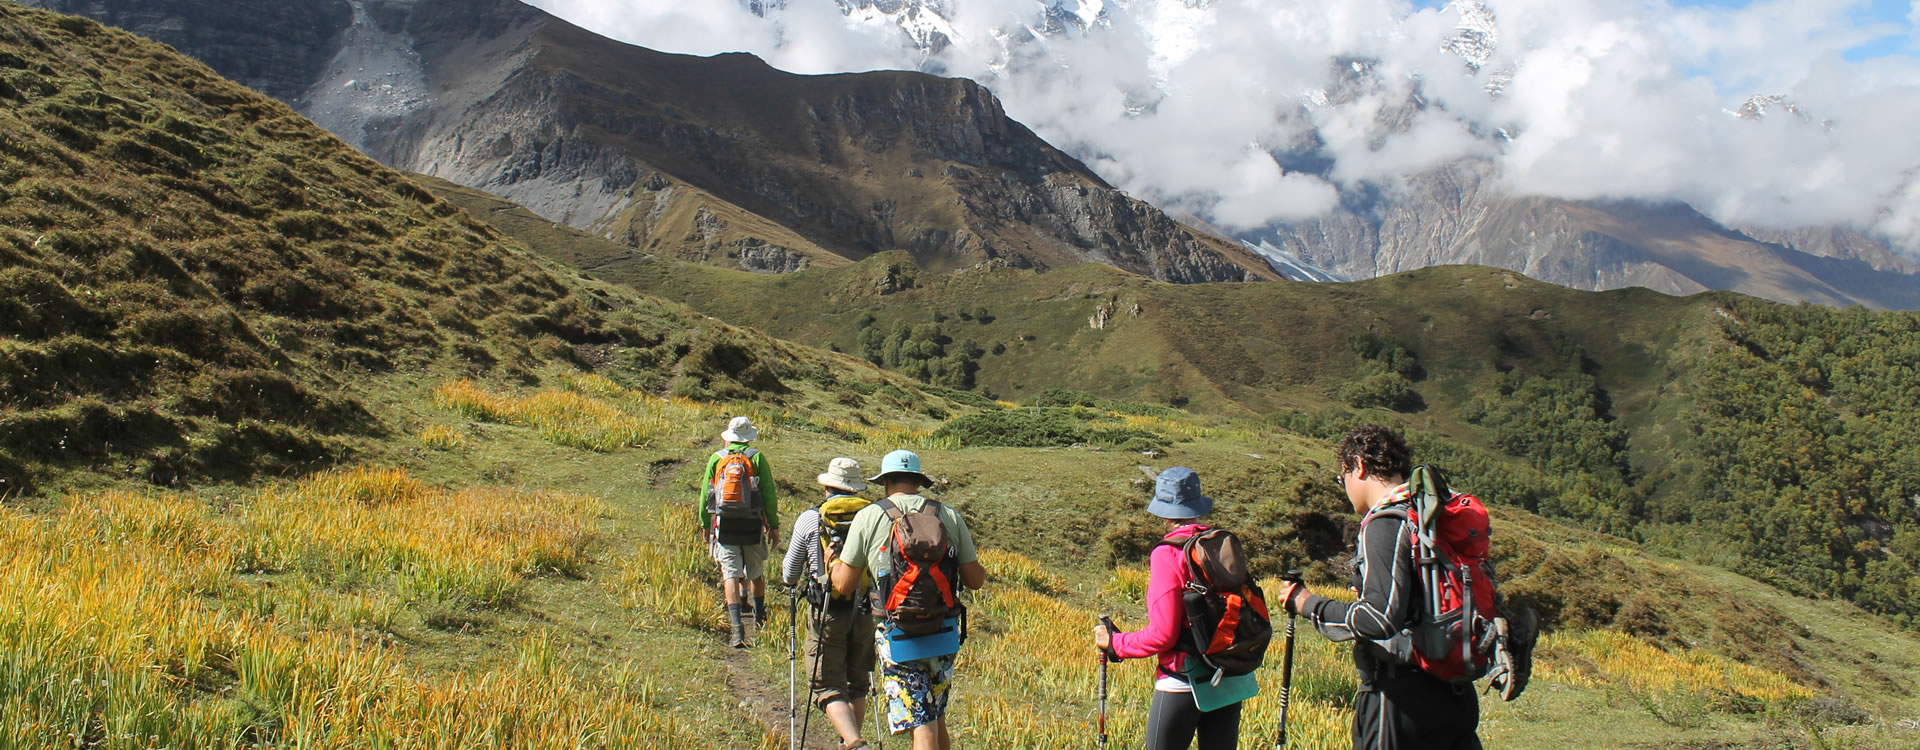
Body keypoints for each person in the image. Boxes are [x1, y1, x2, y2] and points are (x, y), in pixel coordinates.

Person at [1280, 424, 1483, 750]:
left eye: (1342, 476)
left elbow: (1378, 617)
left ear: (1358, 466)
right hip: (1455, 693)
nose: (1344, 487)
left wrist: (1309, 604)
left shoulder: (1385, 522)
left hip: (1399, 700)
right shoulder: (1431, 516)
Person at [831, 450, 987, 750]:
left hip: (896, 634)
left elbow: (845, 584)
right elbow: (975, 580)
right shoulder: (948, 515)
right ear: (919, 480)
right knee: (935, 714)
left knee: (922, 722)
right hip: (943, 631)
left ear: (885, 481)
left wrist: (833, 561)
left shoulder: (870, 516)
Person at [1092, 467, 1246, 750]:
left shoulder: (1167, 554)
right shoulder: (1218, 544)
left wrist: (1115, 643)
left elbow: (1163, 635)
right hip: (1229, 676)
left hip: (1183, 680)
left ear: (1164, 511)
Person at [782, 457, 878, 750]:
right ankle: (848, 742)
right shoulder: (872, 516)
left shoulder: (811, 519)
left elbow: (790, 571)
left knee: (826, 683)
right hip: (865, 609)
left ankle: (854, 743)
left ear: (827, 486)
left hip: (826, 609)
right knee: (858, 682)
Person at [699, 416, 780, 648]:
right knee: (756, 572)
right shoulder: (756, 457)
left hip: (725, 524)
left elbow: (707, 494)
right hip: (753, 523)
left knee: (730, 574)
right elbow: (768, 494)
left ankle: (737, 629)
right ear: (748, 436)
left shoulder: (717, 458)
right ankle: (760, 618)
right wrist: (773, 526)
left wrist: (706, 525)